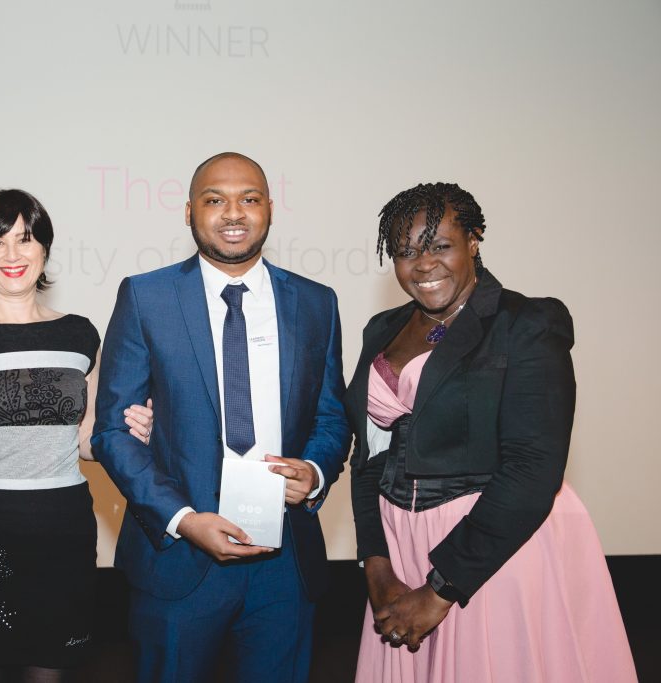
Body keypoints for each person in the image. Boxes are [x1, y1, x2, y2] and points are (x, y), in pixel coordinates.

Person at [348, 182, 637, 682]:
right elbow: (369, 458)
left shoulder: (525, 323)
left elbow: (532, 470)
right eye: (405, 252)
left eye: (439, 246)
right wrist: (377, 566)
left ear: (474, 240)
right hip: (401, 552)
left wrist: (440, 590)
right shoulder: (383, 328)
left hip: (491, 552)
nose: (422, 265)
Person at [91, 153, 351, 683]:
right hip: (179, 559)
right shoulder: (146, 297)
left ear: (270, 210)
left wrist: (316, 472)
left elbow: (332, 417)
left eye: (249, 199)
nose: (234, 212)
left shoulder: (316, 303)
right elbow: (114, 432)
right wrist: (184, 519)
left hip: (286, 564)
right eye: (215, 200)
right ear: (189, 211)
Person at [0, 189, 154, 683]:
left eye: (25, 239)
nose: (13, 255)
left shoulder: (80, 335)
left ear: (45, 248)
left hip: (61, 537)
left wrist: (125, 431)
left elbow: (83, 443)